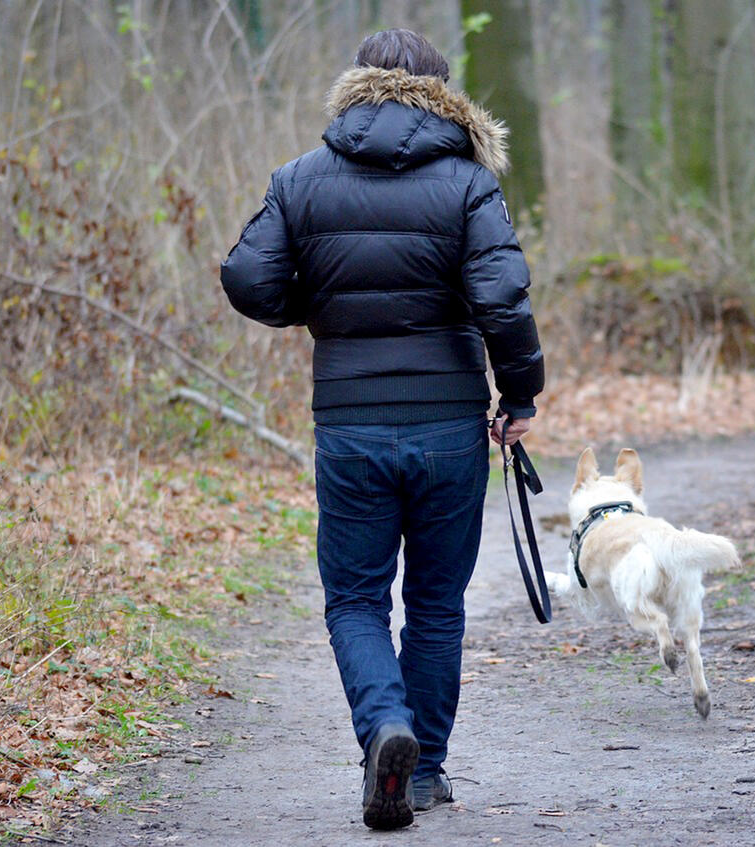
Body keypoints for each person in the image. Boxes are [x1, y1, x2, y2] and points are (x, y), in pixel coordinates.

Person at [220, 28, 543, 830]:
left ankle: (382, 729)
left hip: (351, 422)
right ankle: (423, 768)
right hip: (448, 425)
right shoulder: (469, 183)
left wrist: (322, 307)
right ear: (442, 93)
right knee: (436, 602)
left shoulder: (301, 179)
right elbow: (502, 298)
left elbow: (247, 277)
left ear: (356, 85)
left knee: (356, 599)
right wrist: (522, 392)